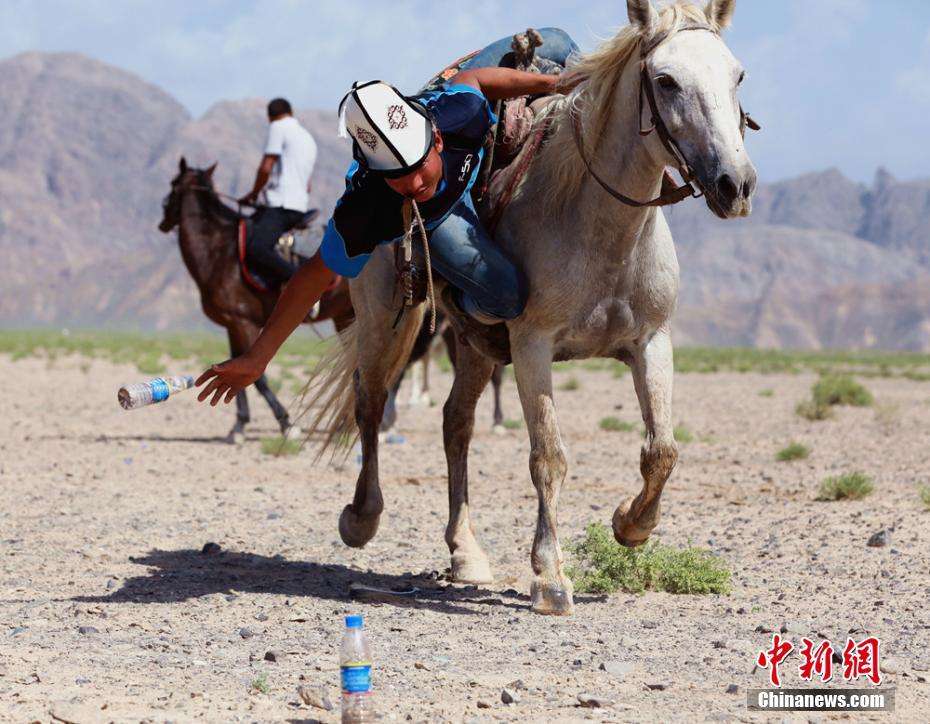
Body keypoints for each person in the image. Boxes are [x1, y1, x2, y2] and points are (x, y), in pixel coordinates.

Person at [197, 34, 574, 406]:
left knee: (558, 41)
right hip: (440, 219)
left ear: (438, 141)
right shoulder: (368, 208)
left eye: (417, 166)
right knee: (509, 297)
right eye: (395, 175)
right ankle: (457, 303)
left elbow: (469, 80)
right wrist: (257, 357)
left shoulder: (463, 116)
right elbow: (312, 277)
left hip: (445, 103)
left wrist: (553, 83)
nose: (412, 184)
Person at [238, 97, 318, 285]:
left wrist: (253, 194)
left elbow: (266, 167)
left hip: (281, 206)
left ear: (270, 117)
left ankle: (301, 283)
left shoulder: (278, 127)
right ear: (291, 112)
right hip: (298, 205)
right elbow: (308, 185)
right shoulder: (307, 138)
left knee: (255, 248)